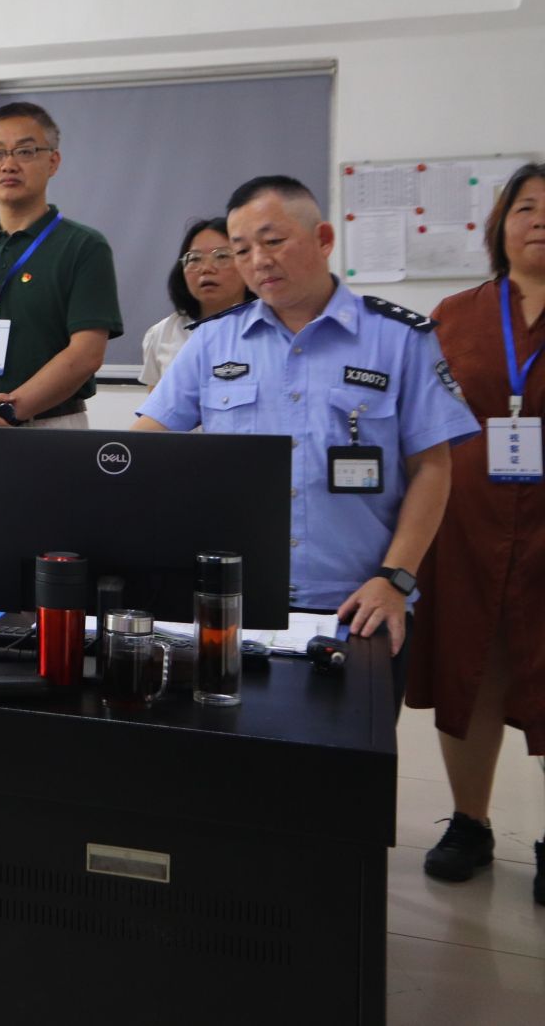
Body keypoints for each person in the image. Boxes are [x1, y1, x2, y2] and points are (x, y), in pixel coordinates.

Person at [135, 176, 478, 701]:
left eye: (273, 241)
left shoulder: (399, 340)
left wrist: (396, 579)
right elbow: (143, 446)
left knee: (349, 750)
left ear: (323, 239)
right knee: (229, 747)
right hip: (234, 603)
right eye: (241, 250)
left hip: (357, 604)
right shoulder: (212, 343)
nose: (258, 261)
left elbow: (432, 468)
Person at [407, 164, 545, 895]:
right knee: (471, 668)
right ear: (499, 225)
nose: (540, 220)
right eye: (526, 207)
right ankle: (470, 822)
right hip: (467, 523)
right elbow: (420, 420)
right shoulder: (455, 316)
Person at [0, 101, 122, 478]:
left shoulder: (84, 246)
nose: (9, 164)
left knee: (50, 521)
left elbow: (86, 353)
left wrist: (8, 411)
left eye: (25, 151)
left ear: (53, 161)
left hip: (50, 431)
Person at [138, 217, 253, 389]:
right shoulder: (162, 333)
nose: (206, 268)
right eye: (194, 259)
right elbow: (156, 401)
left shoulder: (270, 326)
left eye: (222, 256)